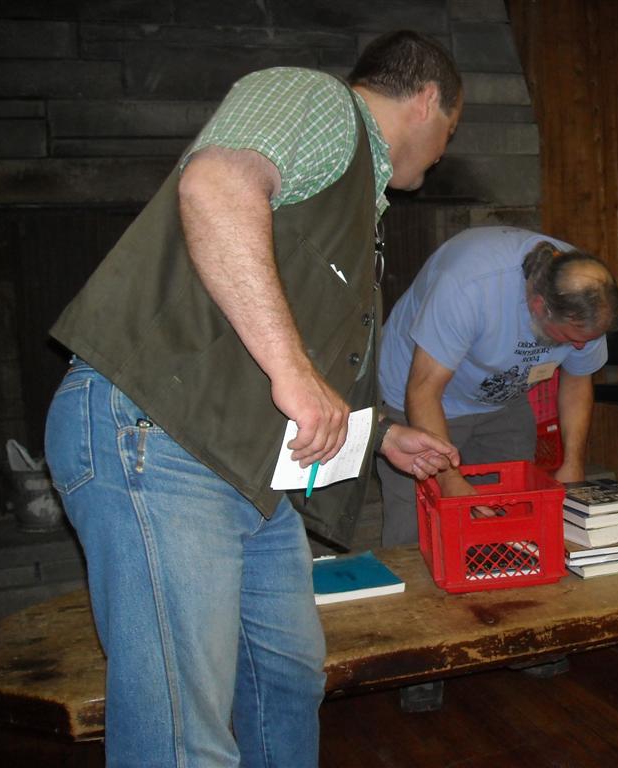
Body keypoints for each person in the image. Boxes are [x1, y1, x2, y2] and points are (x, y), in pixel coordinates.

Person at [42, 31, 463, 767]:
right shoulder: (319, 101)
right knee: (183, 735)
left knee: (285, 680)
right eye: (449, 133)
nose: (443, 152)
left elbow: (298, 352)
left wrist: (381, 433)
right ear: (427, 99)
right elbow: (217, 186)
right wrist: (294, 373)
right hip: (158, 435)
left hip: (247, 471)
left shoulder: (356, 204)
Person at [377, 226, 618, 546]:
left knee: (512, 518)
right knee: (420, 526)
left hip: (501, 398)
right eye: (569, 339)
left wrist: (573, 463)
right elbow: (423, 390)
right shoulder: (470, 286)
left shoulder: (587, 295)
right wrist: (449, 479)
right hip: (416, 392)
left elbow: (577, 381)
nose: (579, 349)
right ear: (538, 306)